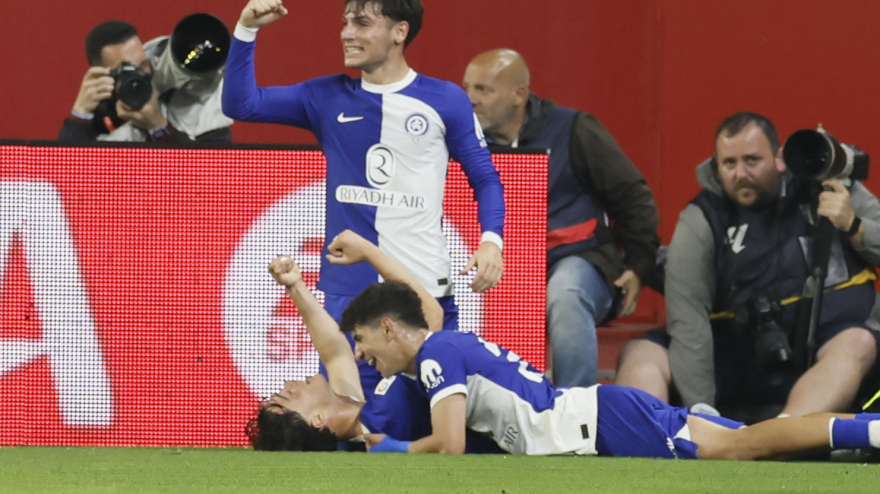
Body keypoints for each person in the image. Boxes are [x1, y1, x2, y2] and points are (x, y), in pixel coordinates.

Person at [222, 0, 505, 412]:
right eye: (345, 22)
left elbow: (485, 177)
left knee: (443, 433)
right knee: (357, 429)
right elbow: (240, 105)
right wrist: (246, 29)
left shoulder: (445, 100)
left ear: (399, 31)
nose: (346, 32)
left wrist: (491, 241)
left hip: (424, 298)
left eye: (361, 22)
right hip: (349, 304)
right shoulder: (325, 96)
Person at [325, 263, 880, 459]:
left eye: (362, 339)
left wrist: (399, 449)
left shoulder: (435, 358)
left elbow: (448, 445)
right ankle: (864, 433)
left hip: (600, 425)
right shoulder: (445, 346)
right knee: (759, 441)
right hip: (599, 415)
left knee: (744, 448)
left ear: (390, 327)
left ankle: (870, 434)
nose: (361, 353)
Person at [615, 112, 880, 423]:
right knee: (640, 354)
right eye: (729, 163)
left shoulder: (826, 182)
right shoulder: (702, 217)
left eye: (752, 160)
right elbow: (689, 320)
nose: (740, 173)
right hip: (736, 352)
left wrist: (854, 226)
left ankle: (782, 439)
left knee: (857, 343)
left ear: (779, 159)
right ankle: (655, 443)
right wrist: (703, 413)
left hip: (823, 344)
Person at [461, 48, 659, 387]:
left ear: (519, 95)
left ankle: (572, 414)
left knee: (565, 295)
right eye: (466, 88)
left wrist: (638, 267)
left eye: (483, 90)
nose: (470, 99)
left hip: (578, 260)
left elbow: (634, 198)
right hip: (501, 267)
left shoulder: (575, 130)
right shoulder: (462, 141)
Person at [252, 229, 499, 453]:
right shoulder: (388, 414)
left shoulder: (357, 422)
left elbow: (335, 353)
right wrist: (370, 253)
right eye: (287, 397)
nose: (288, 384)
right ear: (317, 419)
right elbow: (431, 314)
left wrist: (295, 285)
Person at [57, 20, 233, 143]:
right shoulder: (103, 106)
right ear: (105, 77)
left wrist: (160, 127)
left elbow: (211, 176)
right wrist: (80, 115)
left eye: (144, 64)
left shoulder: (202, 102)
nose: (140, 75)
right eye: (126, 71)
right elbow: (64, 174)